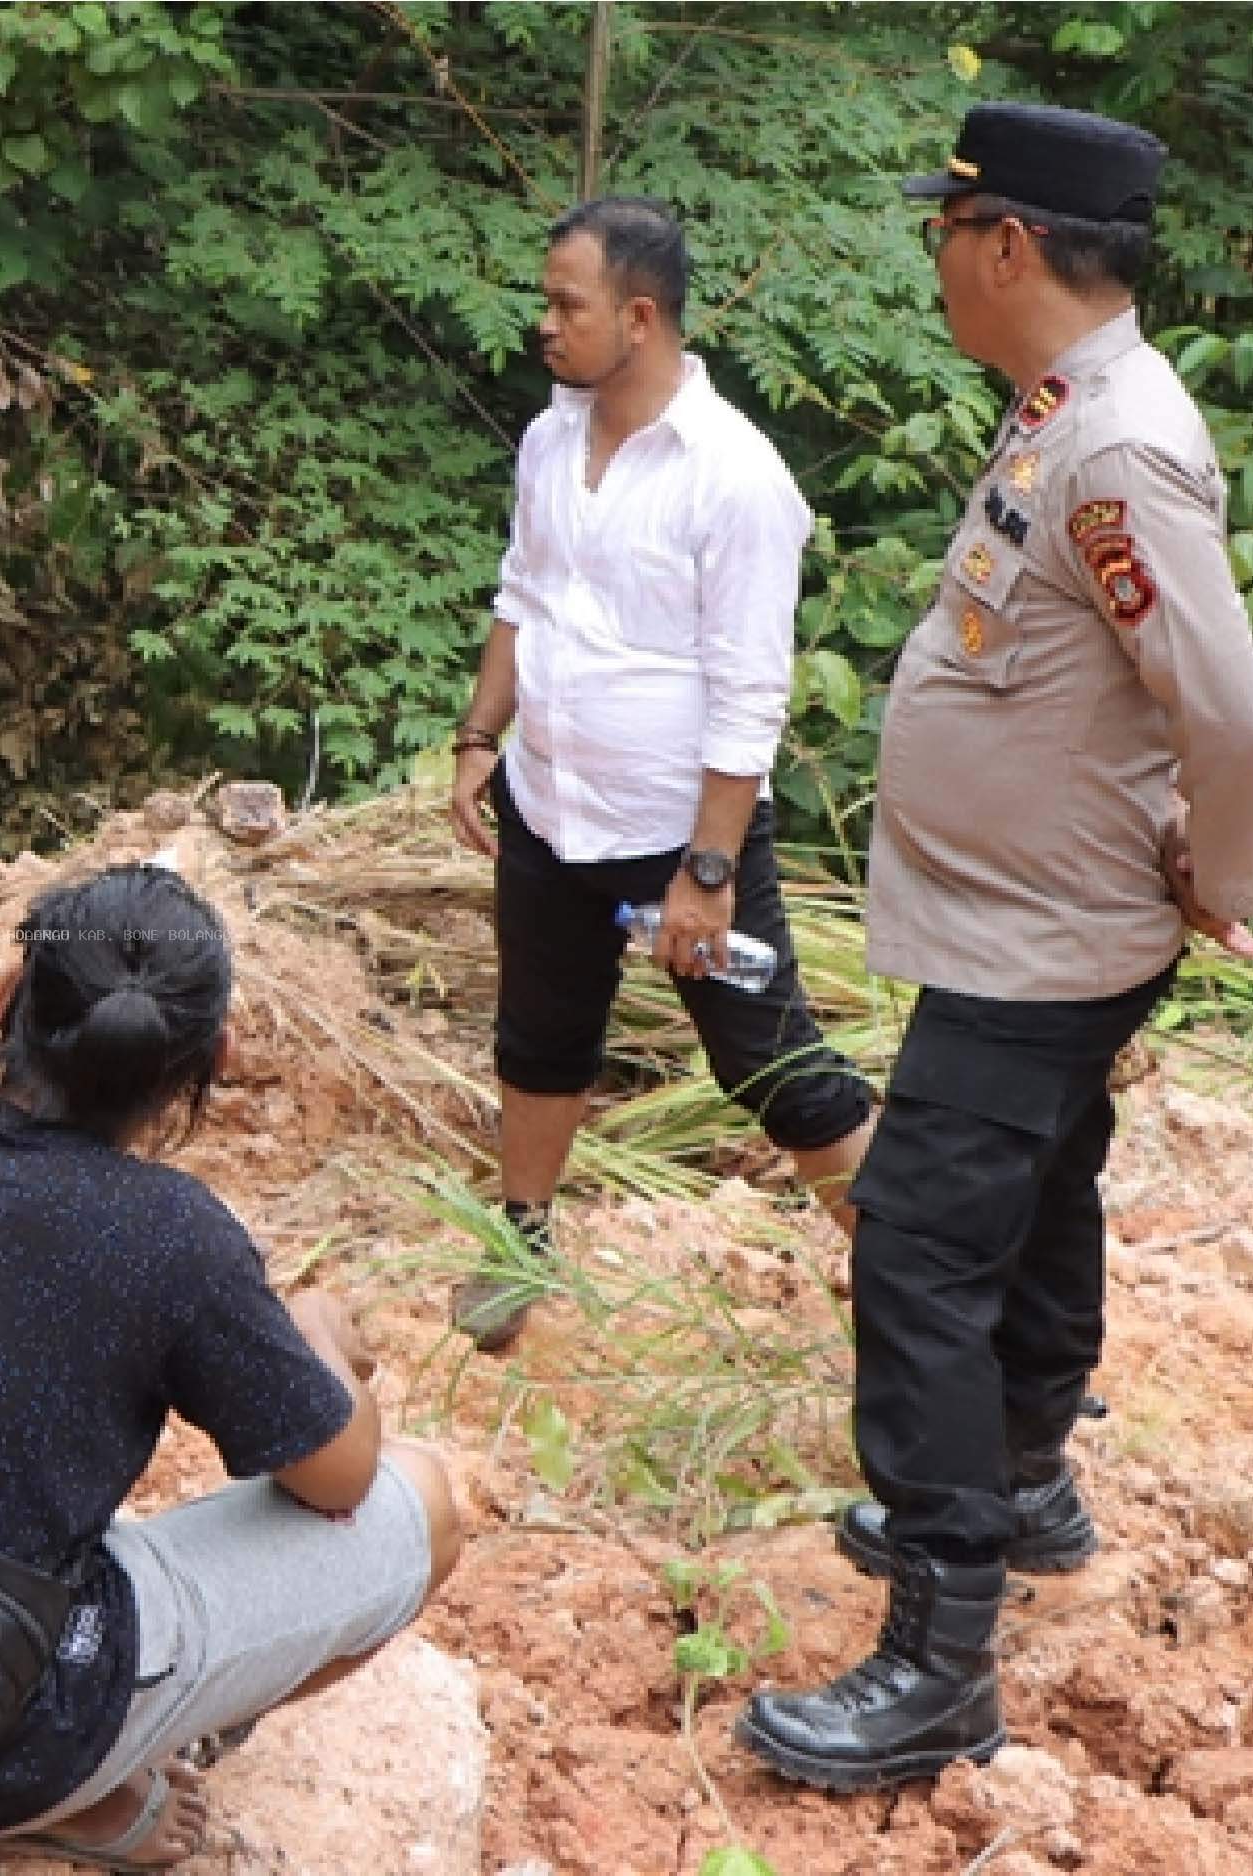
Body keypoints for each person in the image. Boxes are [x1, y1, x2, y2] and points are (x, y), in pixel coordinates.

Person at [736, 103, 1253, 1791]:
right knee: (1037, 1195)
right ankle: (1027, 1472)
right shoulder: (1068, 407)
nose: (936, 257)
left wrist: (1227, 873)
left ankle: (936, 1654)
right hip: (1026, 922)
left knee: (913, 1250)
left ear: (1007, 247)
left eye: (947, 228)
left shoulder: (1115, 450)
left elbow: (1233, 714)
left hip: (1040, 939)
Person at [0, 864, 464, 1871]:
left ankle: (7, 1764)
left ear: (9, 996)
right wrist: (319, 1334)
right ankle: (60, 1786)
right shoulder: (173, 1237)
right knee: (428, 1502)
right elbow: (340, 1477)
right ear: (215, 1058)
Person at [444, 197, 878, 1352]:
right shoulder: (549, 438)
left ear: (638, 317)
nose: (542, 324)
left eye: (563, 304)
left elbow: (748, 697)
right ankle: (516, 1244)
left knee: (774, 1068)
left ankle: (918, 1285)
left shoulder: (732, 477)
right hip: (548, 811)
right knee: (537, 1040)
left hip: (673, 839)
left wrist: (706, 869)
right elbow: (520, 595)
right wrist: (479, 738)